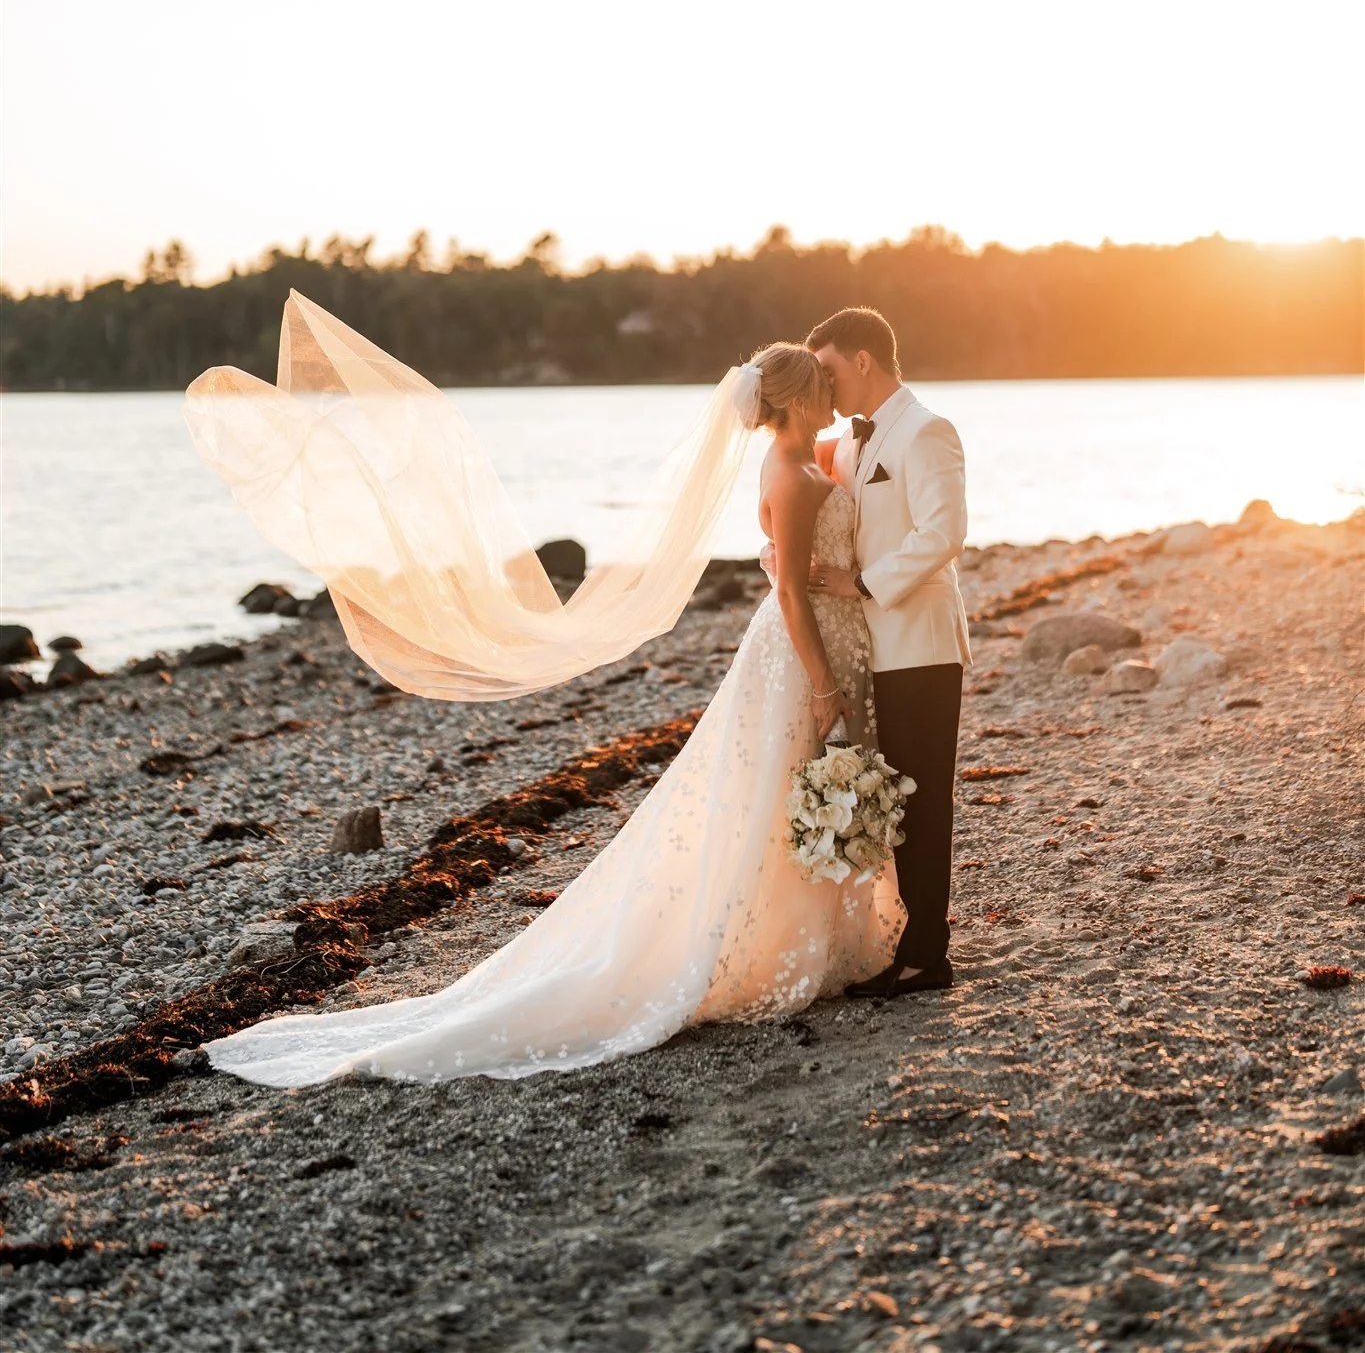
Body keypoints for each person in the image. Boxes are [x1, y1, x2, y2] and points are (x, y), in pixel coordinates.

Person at [202, 342, 902, 1088]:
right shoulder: (793, 477)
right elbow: (793, 591)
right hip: (801, 654)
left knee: (785, 793)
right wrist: (824, 679)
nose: (833, 393)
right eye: (822, 384)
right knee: (787, 789)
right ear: (795, 400)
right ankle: (766, 944)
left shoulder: (800, 460)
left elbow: (810, 551)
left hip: (808, 643)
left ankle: (804, 938)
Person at [797, 307, 971, 997]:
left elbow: (945, 531)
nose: (826, 384)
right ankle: (909, 941)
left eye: (830, 369)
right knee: (900, 800)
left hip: (921, 644)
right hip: (880, 646)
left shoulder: (927, 430)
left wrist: (862, 583)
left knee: (924, 801)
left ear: (863, 360)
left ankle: (929, 957)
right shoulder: (853, 441)